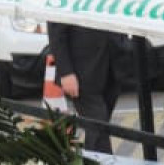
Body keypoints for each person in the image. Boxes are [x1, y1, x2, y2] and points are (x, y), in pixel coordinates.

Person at [45, 22, 137, 154]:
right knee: (98, 126)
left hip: (112, 66)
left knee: (98, 129)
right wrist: (66, 72)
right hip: (81, 72)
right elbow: (56, 32)